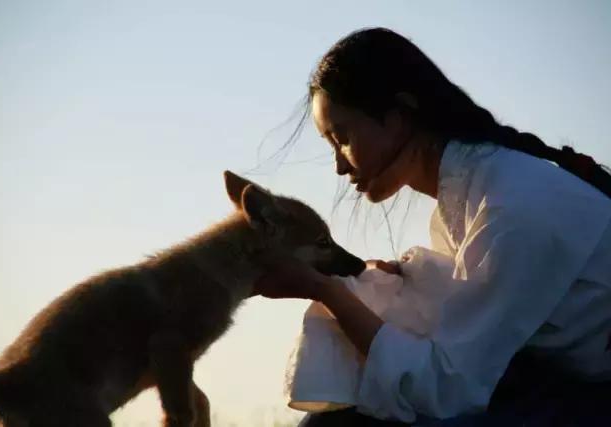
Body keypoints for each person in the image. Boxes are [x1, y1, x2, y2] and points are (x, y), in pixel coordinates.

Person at [251, 28, 611, 426]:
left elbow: (448, 387)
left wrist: (327, 291)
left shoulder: (512, 204)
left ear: (401, 114)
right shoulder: (467, 201)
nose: (339, 165)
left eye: (343, 138)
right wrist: (410, 282)